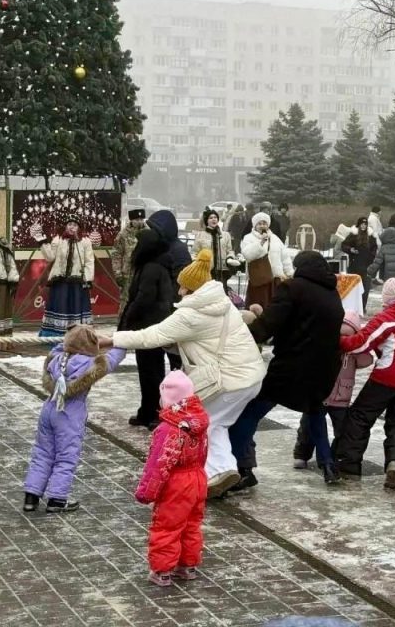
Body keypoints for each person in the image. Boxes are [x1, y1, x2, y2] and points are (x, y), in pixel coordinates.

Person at [111, 249, 266, 498]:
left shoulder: (192, 314)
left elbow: (151, 336)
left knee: (205, 423)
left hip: (229, 380)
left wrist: (110, 339)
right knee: (217, 423)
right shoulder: (222, 304)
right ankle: (223, 470)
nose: (179, 291)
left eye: (182, 287)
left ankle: (218, 472)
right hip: (251, 377)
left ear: (192, 289)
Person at [229, 251, 344, 488]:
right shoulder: (333, 293)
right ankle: (329, 465)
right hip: (324, 368)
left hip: (291, 367)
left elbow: (269, 324)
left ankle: (239, 466)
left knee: (250, 413)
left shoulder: (292, 288)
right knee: (314, 411)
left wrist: (241, 336)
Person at [332, 279, 395, 490]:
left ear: (387, 299)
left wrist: (336, 341)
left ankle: (349, 465)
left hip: (388, 376)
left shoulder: (388, 318)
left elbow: (361, 343)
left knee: (359, 417)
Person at [23, 326, 125, 513]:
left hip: (49, 408)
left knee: (43, 452)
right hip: (70, 414)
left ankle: (31, 496)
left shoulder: (57, 358)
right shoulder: (89, 364)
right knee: (66, 456)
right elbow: (112, 359)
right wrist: (117, 341)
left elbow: (59, 348)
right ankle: (57, 499)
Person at [136, 371, 209, 587]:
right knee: (191, 524)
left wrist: (146, 492)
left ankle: (162, 571)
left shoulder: (168, 428)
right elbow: (204, 451)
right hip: (198, 477)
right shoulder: (200, 421)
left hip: (176, 483)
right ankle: (187, 566)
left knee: (167, 526)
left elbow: (158, 464)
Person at [292, 311, 370, 470]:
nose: (342, 340)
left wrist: (357, 346)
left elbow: (366, 361)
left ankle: (332, 456)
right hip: (319, 395)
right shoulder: (325, 343)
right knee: (307, 427)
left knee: (342, 430)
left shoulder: (353, 352)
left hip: (341, 397)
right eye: (339, 334)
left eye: (347, 336)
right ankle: (302, 454)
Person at [119, 228, 175, 429]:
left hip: (150, 325)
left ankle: (155, 412)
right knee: (148, 371)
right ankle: (147, 410)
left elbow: (144, 298)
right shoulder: (154, 264)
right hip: (151, 324)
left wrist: (128, 320)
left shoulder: (152, 267)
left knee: (152, 372)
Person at [37, 216, 94, 336]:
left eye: (74, 225)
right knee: (61, 306)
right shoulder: (58, 239)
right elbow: (50, 257)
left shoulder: (85, 241)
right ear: (65, 226)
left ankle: (78, 335)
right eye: (69, 224)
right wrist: (43, 243)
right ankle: (56, 335)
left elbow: (89, 261)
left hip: (77, 280)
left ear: (79, 227)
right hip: (60, 281)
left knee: (76, 307)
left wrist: (88, 279)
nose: (71, 227)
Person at [241, 211, 293, 310]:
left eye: (264, 223)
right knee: (258, 306)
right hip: (259, 278)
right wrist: (261, 242)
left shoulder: (275, 238)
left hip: (274, 278)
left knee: (273, 306)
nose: (262, 226)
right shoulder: (248, 238)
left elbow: (285, 256)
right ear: (255, 225)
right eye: (259, 223)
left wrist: (289, 272)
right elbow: (247, 255)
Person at [111, 209, 146, 312]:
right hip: (128, 275)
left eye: (141, 219)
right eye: (136, 219)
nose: (139, 222)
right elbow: (116, 254)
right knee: (126, 303)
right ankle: (123, 326)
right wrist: (117, 273)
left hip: (144, 274)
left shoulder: (149, 233)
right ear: (131, 220)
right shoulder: (123, 234)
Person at [147, 209, 192, 284]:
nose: (151, 232)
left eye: (153, 229)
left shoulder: (179, 250)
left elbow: (180, 283)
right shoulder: (158, 246)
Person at [342, 218, 377, 310]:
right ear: (358, 225)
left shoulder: (371, 237)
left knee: (365, 288)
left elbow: (374, 249)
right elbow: (344, 245)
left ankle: (363, 307)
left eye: (365, 224)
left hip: (366, 267)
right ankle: (352, 308)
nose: (363, 226)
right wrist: (350, 249)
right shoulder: (353, 235)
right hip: (354, 265)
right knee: (353, 288)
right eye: (362, 224)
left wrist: (371, 258)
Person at [193, 208, 234, 286]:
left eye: (215, 217)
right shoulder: (200, 235)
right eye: (211, 218)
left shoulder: (225, 235)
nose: (213, 219)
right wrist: (197, 262)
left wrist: (230, 258)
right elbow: (194, 252)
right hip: (206, 271)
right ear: (206, 221)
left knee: (221, 295)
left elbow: (230, 251)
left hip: (222, 271)